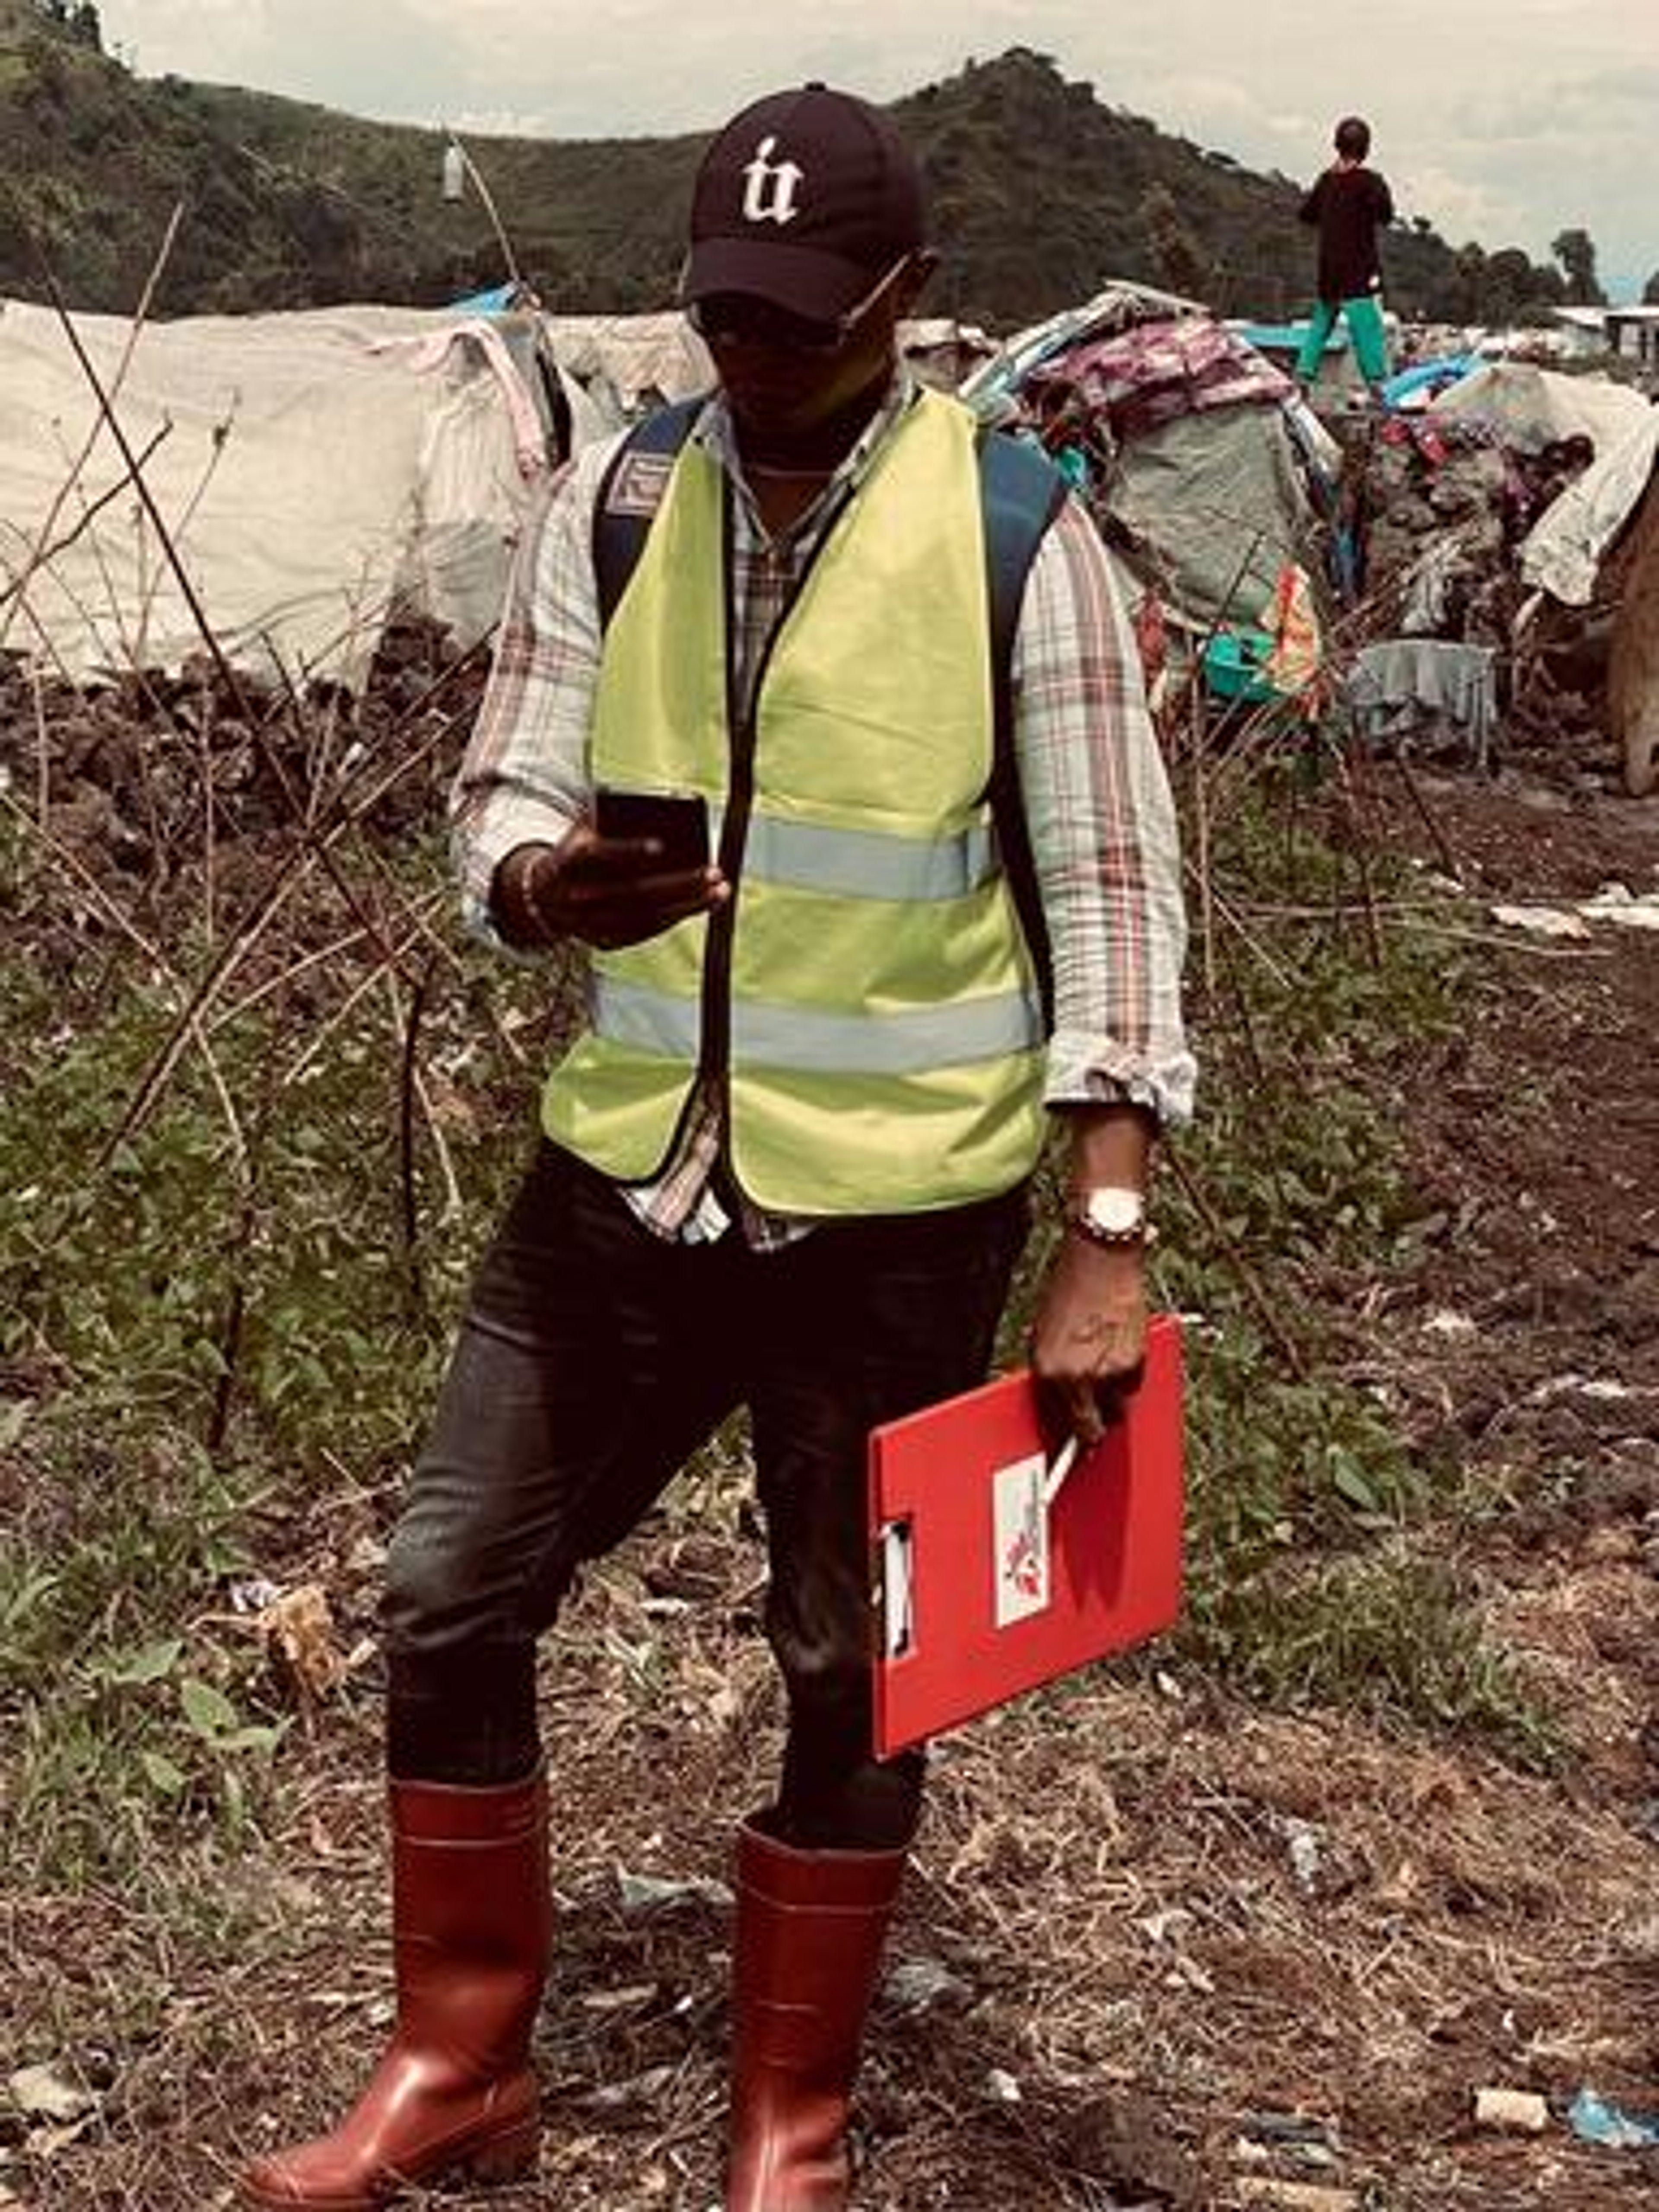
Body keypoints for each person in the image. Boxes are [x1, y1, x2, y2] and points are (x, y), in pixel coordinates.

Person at [240, 81, 1193, 2212]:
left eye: (804, 327)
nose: (756, 367)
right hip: (626, 1186)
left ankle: (794, 2126)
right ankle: (458, 2062)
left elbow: (1118, 898)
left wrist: (1104, 1228)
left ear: (906, 303)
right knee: (451, 1586)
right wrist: (537, 885)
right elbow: (498, 787)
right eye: (725, 322)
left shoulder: (1019, 530)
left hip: (897, 1219)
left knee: (851, 1661)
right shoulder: (621, 488)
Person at [1294, 114, 1395, 403]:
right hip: (1359, 271)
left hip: (1329, 270)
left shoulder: (1326, 180)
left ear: (1337, 145)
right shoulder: (1370, 182)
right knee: (1368, 329)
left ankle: (1303, 376)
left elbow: (1307, 215)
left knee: (1321, 325)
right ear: (1366, 148)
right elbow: (1386, 215)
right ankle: (1378, 387)